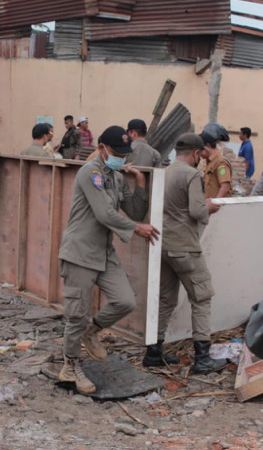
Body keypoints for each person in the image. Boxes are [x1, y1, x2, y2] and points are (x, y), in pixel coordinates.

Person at [58, 125, 160, 394]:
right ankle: (70, 366)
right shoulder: (89, 172)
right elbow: (104, 213)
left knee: (125, 300)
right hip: (80, 253)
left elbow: (136, 209)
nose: (122, 158)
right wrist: (137, 229)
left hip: (103, 253)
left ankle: (92, 332)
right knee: (76, 316)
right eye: (117, 153)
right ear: (102, 148)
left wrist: (138, 181)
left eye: (125, 154)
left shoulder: (115, 177)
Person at [142, 133, 227, 374]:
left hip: (163, 245)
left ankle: (153, 352)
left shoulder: (164, 171)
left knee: (166, 299)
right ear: (197, 153)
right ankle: (203, 359)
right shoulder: (192, 174)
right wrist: (209, 206)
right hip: (185, 247)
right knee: (201, 298)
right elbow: (197, 212)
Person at [200, 131, 233, 198]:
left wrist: (215, 204)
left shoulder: (220, 163)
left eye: (200, 150)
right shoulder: (210, 162)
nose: (199, 154)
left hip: (220, 207)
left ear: (207, 146)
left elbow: (225, 187)